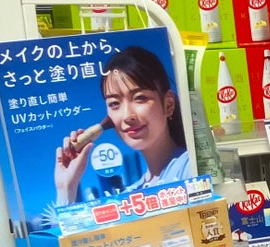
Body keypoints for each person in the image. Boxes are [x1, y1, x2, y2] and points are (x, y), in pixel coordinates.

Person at [53, 44, 191, 206]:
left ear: (168, 104)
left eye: (140, 98)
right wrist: (67, 187)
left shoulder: (191, 167)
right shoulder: (128, 196)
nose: (127, 116)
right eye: (114, 103)